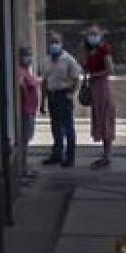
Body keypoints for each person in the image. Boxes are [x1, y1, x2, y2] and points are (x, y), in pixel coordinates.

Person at [40, 33, 82, 168]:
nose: (53, 45)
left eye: (56, 42)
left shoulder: (69, 60)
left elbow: (76, 78)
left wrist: (71, 93)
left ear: (61, 43)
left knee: (68, 127)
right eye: (51, 42)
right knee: (55, 126)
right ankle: (57, 154)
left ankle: (70, 157)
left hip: (64, 95)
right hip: (52, 95)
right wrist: (43, 101)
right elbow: (44, 82)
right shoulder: (46, 61)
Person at [82, 24, 116, 169]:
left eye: (95, 34)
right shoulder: (90, 51)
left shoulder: (104, 49)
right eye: (90, 34)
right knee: (98, 117)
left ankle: (107, 154)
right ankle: (104, 153)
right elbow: (84, 65)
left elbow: (110, 69)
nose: (92, 37)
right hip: (94, 86)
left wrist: (95, 75)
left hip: (102, 86)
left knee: (105, 117)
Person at [15, 48, 42, 177]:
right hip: (26, 110)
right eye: (26, 55)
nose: (28, 58)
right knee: (24, 140)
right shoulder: (20, 71)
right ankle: (23, 169)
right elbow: (20, 85)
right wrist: (25, 96)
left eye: (30, 55)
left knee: (26, 140)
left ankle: (24, 167)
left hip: (30, 110)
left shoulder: (27, 71)